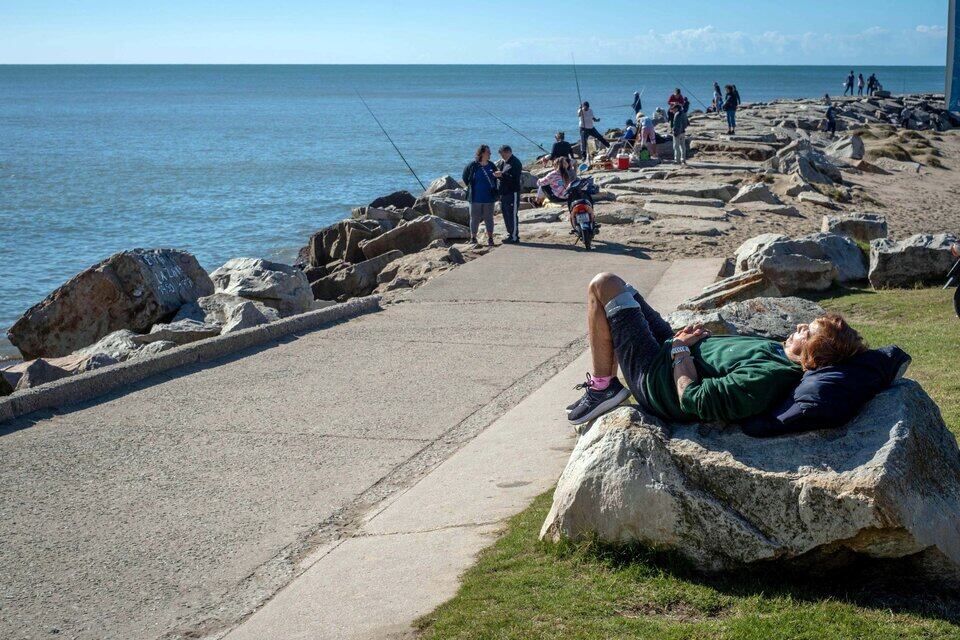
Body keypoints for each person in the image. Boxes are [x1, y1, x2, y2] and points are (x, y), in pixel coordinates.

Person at [565, 272, 869, 426]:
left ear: (814, 352)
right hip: (669, 352)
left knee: (603, 285)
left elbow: (695, 400)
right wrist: (686, 341)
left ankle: (603, 388)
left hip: (657, 381)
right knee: (625, 289)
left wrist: (681, 353)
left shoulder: (770, 375)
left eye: (808, 332)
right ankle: (604, 383)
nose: (801, 327)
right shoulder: (776, 352)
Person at [462, 144, 499, 247]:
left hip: (489, 197)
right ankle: (473, 238)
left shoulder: (492, 165)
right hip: (475, 197)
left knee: (489, 219)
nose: (490, 154)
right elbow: (465, 177)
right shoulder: (472, 165)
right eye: (488, 152)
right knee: (474, 218)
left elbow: (497, 177)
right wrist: (471, 187)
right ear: (482, 153)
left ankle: (490, 239)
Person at [495, 145, 523, 244]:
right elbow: (504, 177)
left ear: (508, 152)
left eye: (502, 154)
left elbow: (514, 178)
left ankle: (514, 236)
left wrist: (502, 175)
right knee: (506, 214)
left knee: (512, 214)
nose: (502, 157)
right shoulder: (504, 162)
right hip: (504, 192)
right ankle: (510, 234)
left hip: (512, 192)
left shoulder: (515, 162)